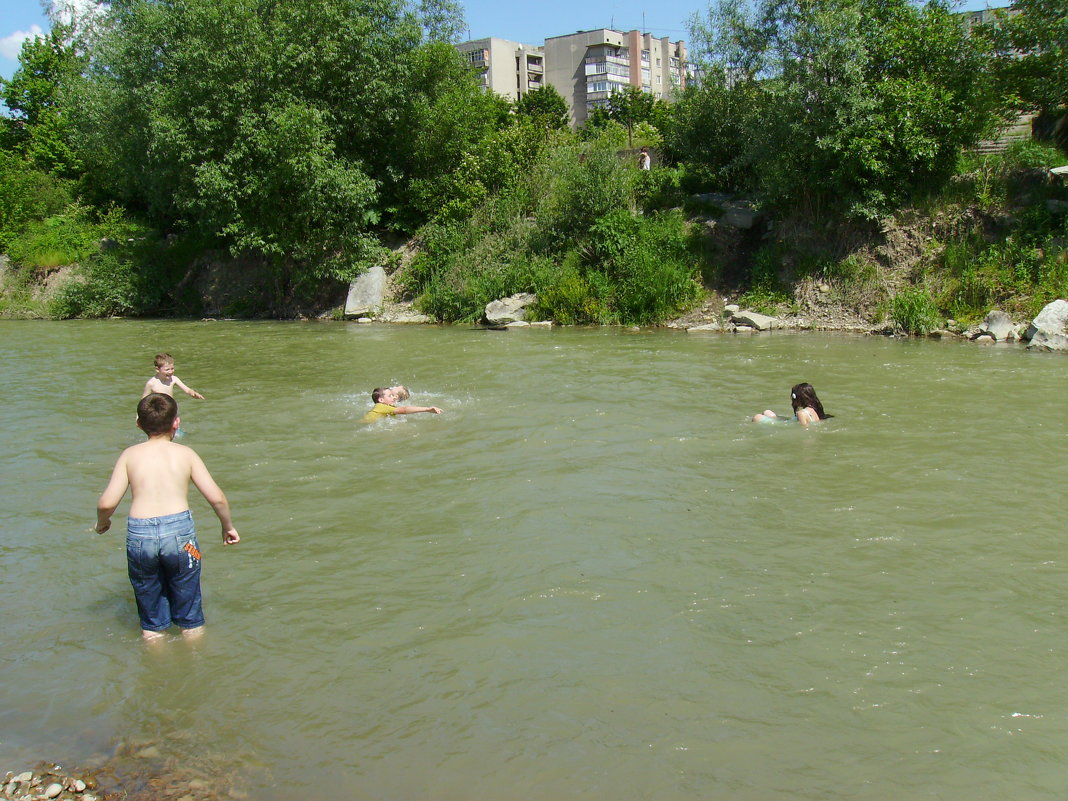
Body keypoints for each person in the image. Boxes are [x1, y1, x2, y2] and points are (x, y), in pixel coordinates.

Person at [96, 393, 240, 641]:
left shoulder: (129, 455)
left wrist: (103, 523)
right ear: (177, 422)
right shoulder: (186, 454)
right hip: (181, 537)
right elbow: (217, 498)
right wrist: (227, 526)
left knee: (151, 621)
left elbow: (107, 502)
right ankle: (195, 662)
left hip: (140, 538)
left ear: (139, 424)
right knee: (190, 609)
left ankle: (156, 668)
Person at [752, 382, 832, 427]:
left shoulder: (801, 413)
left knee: (757, 417)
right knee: (767, 412)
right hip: (790, 421)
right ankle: (773, 417)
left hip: (785, 425)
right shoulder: (815, 410)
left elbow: (805, 430)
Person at [362, 386, 442, 423]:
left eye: (393, 395)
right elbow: (404, 410)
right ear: (381, 400)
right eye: (390, 396)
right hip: (365, 424)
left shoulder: (383, 408)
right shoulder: (381, 406)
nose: (393, 397)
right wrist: (427, 409)